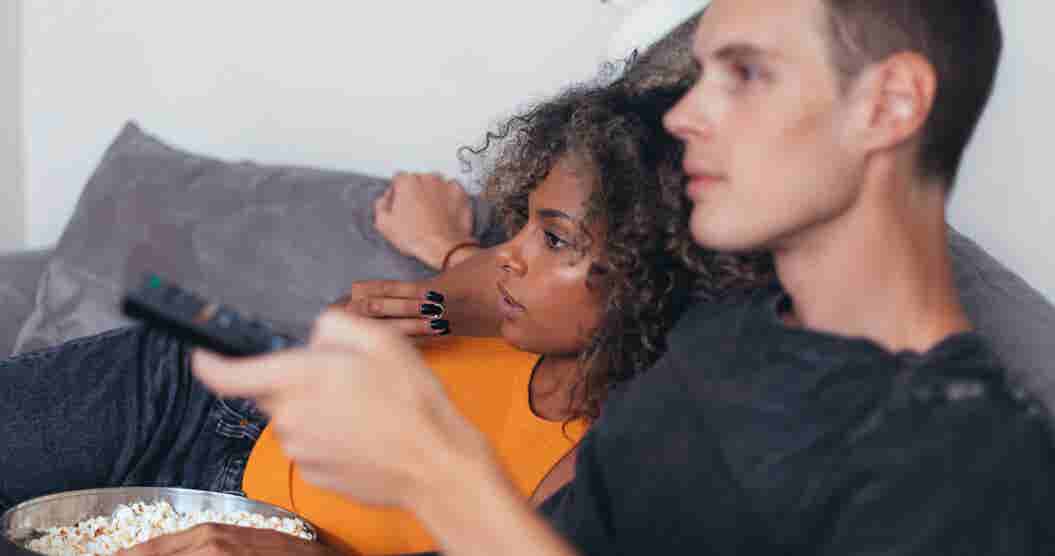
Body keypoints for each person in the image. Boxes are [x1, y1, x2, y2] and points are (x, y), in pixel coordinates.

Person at [173, 1, 1055, 555]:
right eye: (700, 73)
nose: (687, 115)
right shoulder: (722, 332)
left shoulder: (968, 472)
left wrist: (435, 473)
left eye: (743, 73)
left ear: (889, 105)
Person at [0, 77, 769, 555]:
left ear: (659, 275)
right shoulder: (506, 295)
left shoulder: (620, 459)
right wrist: (406, 290)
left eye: (554, 238)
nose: (513, 254)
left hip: (248, 525)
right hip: (192, 403)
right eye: (527, 224)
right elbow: (391, 306)